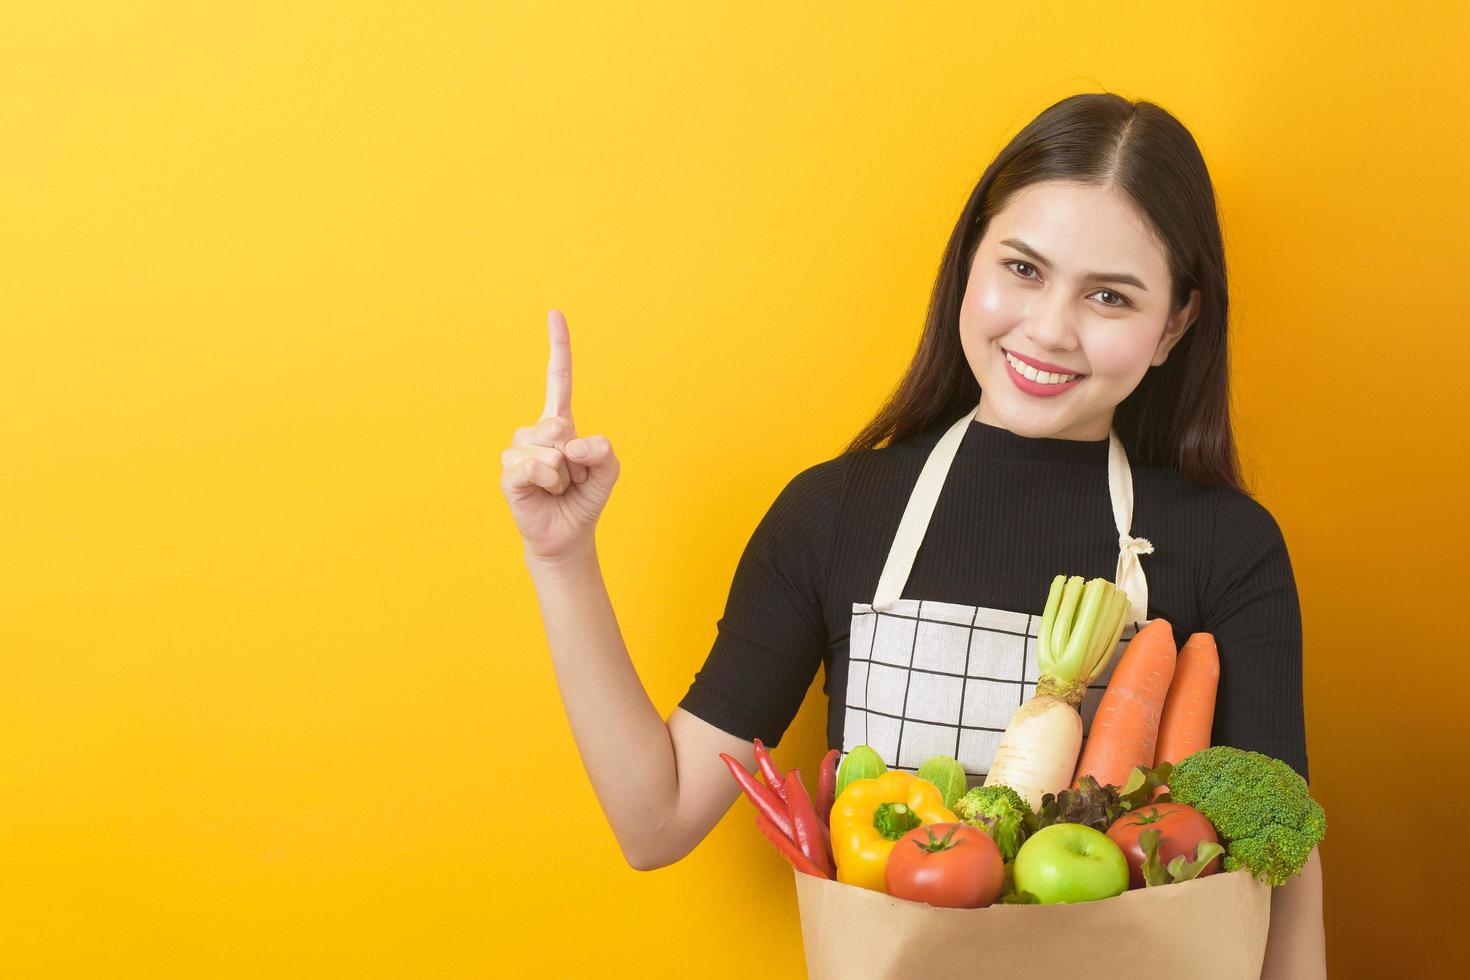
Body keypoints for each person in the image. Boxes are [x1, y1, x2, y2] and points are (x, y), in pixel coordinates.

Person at [500, 93, 1325, 977]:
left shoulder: (1227, 546)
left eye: (1110, 296)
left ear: (1173, 327)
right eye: (1022, 268)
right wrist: (561, 557)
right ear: (970, 260)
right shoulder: (835, 515)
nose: (1048, 328)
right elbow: (654, 820)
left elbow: (1279, 874)